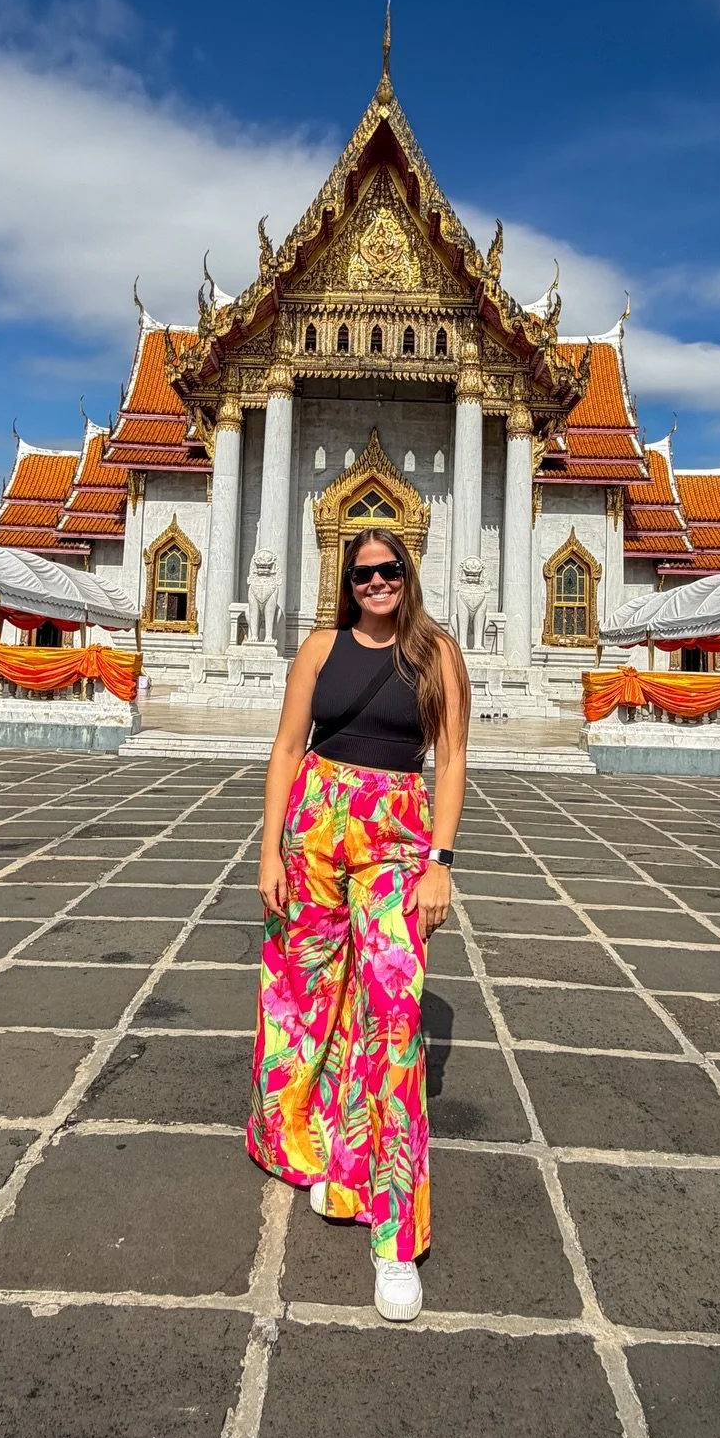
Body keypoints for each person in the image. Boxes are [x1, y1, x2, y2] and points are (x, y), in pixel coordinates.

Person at [246, 526, 471, 1321]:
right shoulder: (318, 649)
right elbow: (285, 747)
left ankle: (393, 1233)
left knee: (394, 1018)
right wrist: (269, 848)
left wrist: (441, 861)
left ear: (409, 573)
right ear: (348, 581)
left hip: (396, 840)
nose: (377, 582)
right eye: (363, 572)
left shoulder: (437, 654)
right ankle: (313, 1151)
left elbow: (450, 761)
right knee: (303, 1001)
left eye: (389, 570)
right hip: (313, 826)